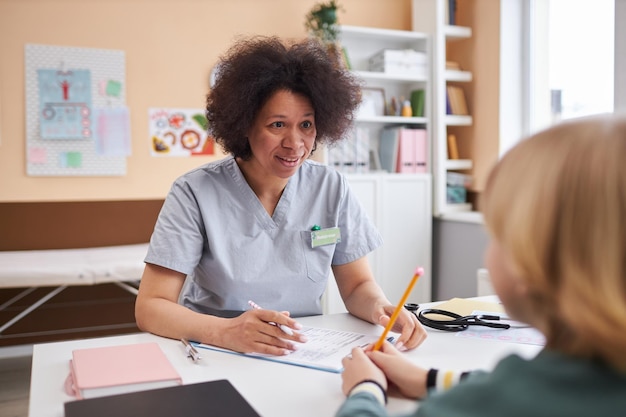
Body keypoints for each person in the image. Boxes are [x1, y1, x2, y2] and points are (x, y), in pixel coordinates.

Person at [135, 35, 427, 356]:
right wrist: (227, 332)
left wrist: (382, 309)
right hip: (216, 350)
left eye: (306, 124)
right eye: (277, 124)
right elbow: (151, 306)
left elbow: (358, 286)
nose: (295, 143)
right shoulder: (194, 192)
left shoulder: (330, 188)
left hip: (302, 349)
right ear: (244, 125)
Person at [337, 114, 626, 417]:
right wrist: (426, 379)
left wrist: (366, 389)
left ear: (530, 266)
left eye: (495, 235)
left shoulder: (500, 401)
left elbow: (506, 397)